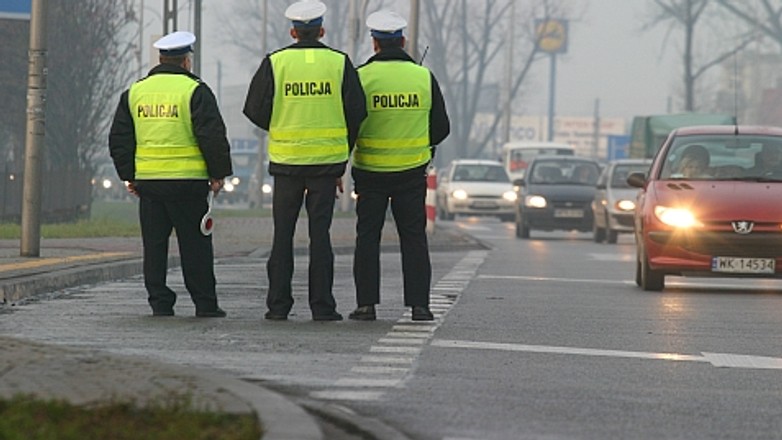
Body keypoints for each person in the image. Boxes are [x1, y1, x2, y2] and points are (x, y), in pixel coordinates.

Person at [243, 1, 367, 321]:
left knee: (282, 236)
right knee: (320, 237)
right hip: (327, 167)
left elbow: (254, 108)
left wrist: (281, 124)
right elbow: (357, 113)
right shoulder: (339, 63)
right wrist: (342, 152)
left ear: (293, 32)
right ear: (322, 31)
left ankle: (278, 306)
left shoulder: (276, 62)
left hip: (286, 165)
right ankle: (322, 306)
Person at [108, 31, 232, 318]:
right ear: (186, 61)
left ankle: (160, 302)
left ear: (160, 59)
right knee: (195, 246)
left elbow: (119, 139)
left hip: (149, 185)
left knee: (154, 246)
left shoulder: (135, 92)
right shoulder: (195, 90)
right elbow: (211, 135)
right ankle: (205, 304)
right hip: (188, 184)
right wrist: (218, 174)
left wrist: (130, 176)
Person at [348, 10, 450, 322]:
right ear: (403, 41)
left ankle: (366, 305)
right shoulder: (423, 77)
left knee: (368, 238)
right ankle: (420, 306)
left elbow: (349, 124)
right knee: (414, 238)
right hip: (411, 173)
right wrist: (423, 146)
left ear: (374, 43)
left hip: (370, 173)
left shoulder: (361, 77)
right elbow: (442, 127)